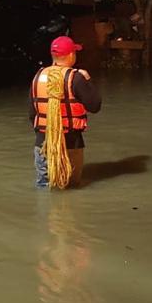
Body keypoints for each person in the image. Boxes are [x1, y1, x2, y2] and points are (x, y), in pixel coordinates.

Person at [29, 36, 102, 189]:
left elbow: (32, 114)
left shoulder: (38, 77)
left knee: (45, 189)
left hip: (43, 144)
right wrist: (88, 80)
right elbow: (95, 106)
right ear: (70, 55)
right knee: (71, 190)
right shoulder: (77, 78)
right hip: (70, 144)